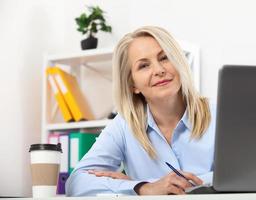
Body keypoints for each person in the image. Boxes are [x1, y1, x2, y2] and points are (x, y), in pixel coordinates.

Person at [66, 26, 216, 196]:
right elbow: (76, 183)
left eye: (165, 58)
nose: (159, 70)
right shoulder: (124, 126)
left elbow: (246, 176)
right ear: (133, 85)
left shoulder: (219, 116)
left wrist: (146, 184)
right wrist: (143, 188)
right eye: (144, 66)